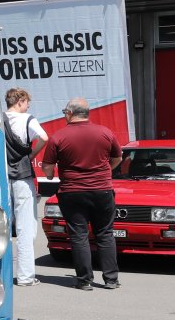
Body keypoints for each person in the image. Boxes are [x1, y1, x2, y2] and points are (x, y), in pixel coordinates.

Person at [41, 98, 121, 291]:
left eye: (64, 112)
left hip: (72, 192)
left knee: (79, 235)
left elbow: (47, 167)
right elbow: (118, 158)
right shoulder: (105, 132)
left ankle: (84, 280)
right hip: (102, 190)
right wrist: (104, 172)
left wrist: (50, 176)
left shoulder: (58, 137)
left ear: (70, 113)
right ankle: (111, 279)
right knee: (105, 233)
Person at [4, 88, 47, 287]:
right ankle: (25, 276)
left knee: (1, 226)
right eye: (27, 102)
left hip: (3, 175)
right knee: (25, 227)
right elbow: (44, 137)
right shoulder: (27, 119)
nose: (28, 106)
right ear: (20, 101)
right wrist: (31, 155)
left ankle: (2, 275)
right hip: (22, 175)